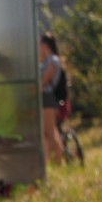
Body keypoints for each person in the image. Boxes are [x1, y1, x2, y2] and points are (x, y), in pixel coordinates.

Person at [39, 32, 64, 165]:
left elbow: (44, 81)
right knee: (46, 133)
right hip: (45, 98)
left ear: (45, 45)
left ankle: (59, 161)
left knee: (50, 132)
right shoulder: (46, 61)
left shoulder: (53, 60)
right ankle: (51, 162)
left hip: (47, 98)